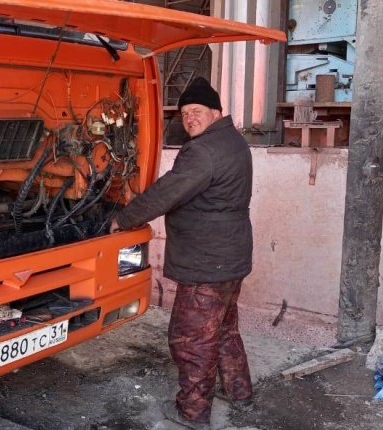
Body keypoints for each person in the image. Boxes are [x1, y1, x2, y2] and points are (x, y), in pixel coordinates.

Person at [110, 77, 254, 430]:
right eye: (185, 112)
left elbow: (167, 192)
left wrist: (124, 218)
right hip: (229, 257)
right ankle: (239, 390)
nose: (190, 118)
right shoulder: (232, 141)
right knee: (223, 329)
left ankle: (192, 413)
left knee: (191, 339)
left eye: (197, 111)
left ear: (216, 112)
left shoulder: (203, 151)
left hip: (206, 261)